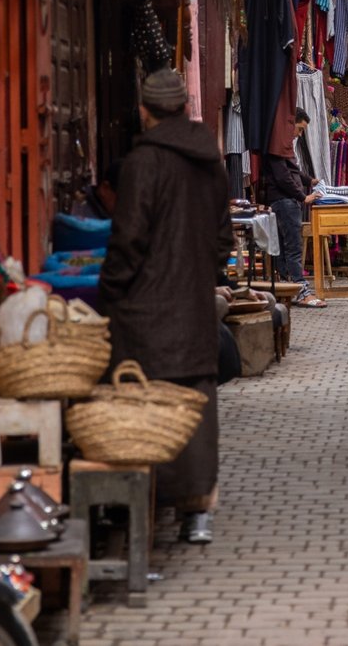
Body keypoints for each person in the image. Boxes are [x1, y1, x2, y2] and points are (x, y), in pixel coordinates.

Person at [99, 67, 233, 545]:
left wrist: (110, 291)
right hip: (193, 301)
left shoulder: (143, 163)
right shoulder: (208, 158)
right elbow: (223, 236)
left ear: (144, 111)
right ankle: (197, 511)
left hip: (146, 307)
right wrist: (204, 276)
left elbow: (128, 238)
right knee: (196, 399)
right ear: (182, 108)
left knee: (144, 398)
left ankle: (146, 496)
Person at [258, 108, 326, 308]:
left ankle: (288, 289)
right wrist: (303, 196)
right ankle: (300, 290)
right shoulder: (278, 145)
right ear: (290, 124)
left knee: (284, 248)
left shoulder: (282, 146)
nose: (300, 134)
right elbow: (283, 178)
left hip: (284, 201)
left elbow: (292, 172)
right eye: (299, 128)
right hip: (286, 201)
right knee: (293, 248)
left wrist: (310, 181)